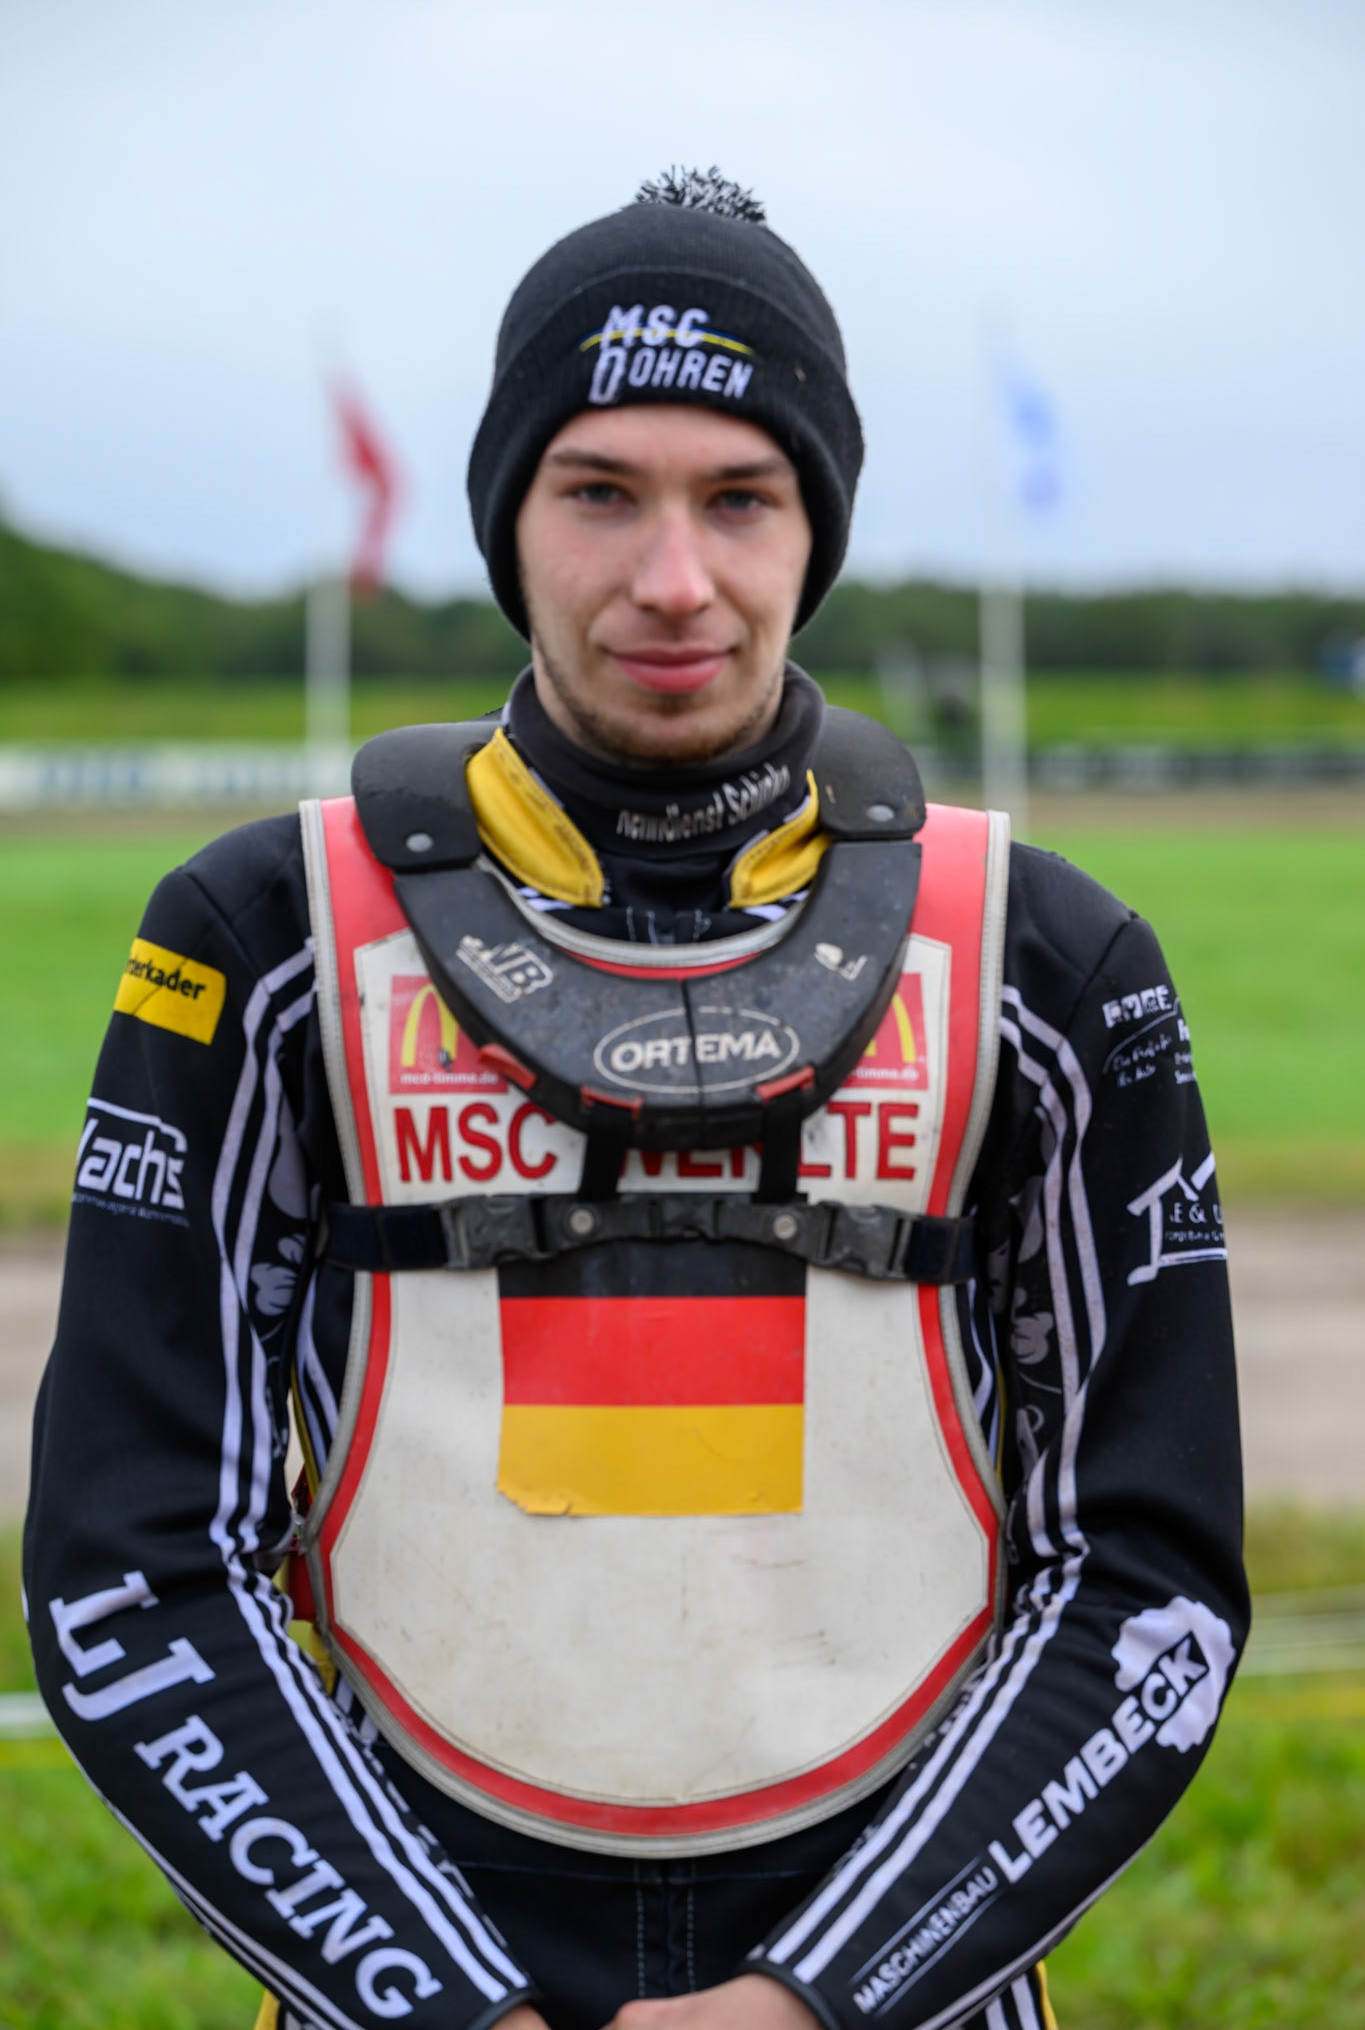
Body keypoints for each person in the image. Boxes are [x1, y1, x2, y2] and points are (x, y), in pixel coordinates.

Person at [25, 169, 1247, 2030]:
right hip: (412, 1964)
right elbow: (135, 1569)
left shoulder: (1046, 967)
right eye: (599, 490)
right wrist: (444, 2002)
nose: (672, 578)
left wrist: (814, 2003)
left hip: (894, 1978)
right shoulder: (259, 938)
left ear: (812, 530)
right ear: (507, 518)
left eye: (739, 497)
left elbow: (1144, 1592)